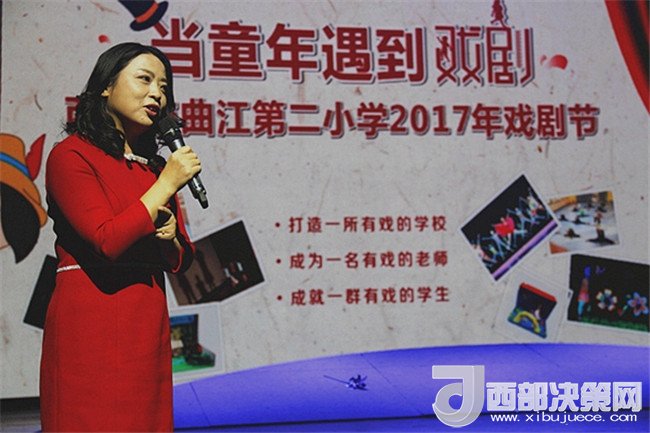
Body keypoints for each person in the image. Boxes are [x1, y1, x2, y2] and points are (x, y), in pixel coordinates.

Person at [40, 42, 201, 432]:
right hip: (93, 315)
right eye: (144, 79)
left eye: (163, 87)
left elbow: (182, 258)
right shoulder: (71, 155)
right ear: (106, 86)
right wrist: (166, 184)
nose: (156, 94)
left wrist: (170, 239)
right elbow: (106, 240)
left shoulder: (155, 168)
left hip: (147, 318)